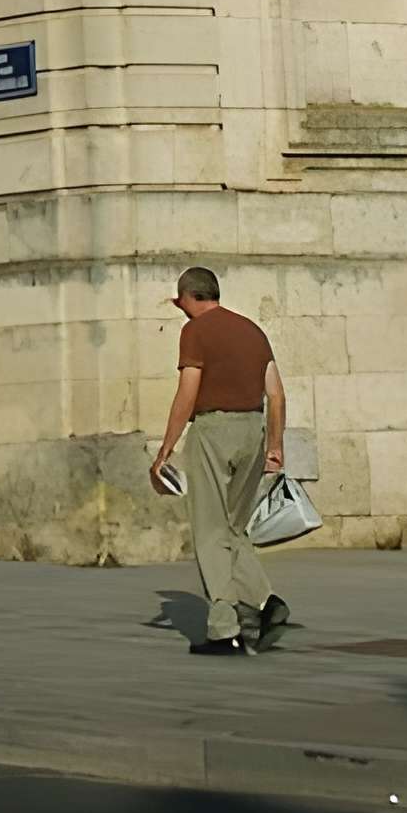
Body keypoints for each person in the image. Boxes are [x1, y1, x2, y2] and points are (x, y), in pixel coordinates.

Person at [152, 266, 292, 655]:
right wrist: (274, 447)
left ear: (187, 298)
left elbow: (187, 394)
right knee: (234, 528)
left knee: (210, 531)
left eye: (180, 302)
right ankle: (265, 603)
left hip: (214, 431)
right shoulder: (252, 331)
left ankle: (223, 629)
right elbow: (276, 395)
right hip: (254, 429)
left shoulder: (194, 331)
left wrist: (165, 449)